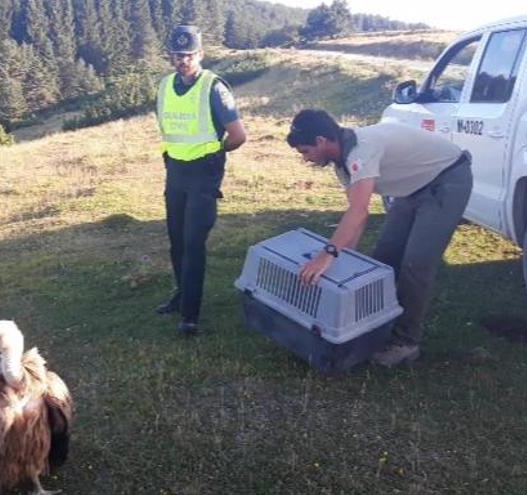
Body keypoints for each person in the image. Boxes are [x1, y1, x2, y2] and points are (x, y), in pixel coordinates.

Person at [286, 109, 472, 367]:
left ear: (321, 141)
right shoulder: (342, 162)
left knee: (415, 264)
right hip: (413, 189)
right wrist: (342, 267)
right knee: (384, 259)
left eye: (305, 151)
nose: (305, 159)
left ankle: (406, 342)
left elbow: (359, 210)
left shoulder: (362, 150)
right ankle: (375, 329)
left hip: (447, 179)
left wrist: (326, 256)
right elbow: (357, 220)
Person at [155, 25, 246, 335]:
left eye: (189, 55)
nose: (183, 60)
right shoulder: (165, 85)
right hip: (176, 172)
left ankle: (190, 315)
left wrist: (214, 154)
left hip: (203, 175)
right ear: (170, 56)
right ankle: (182, 295)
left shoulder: (214, 88)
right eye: (178, 55)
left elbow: (237, 136)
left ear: (201, 55)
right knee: (176, 241)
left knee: (194, 244)